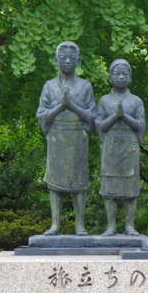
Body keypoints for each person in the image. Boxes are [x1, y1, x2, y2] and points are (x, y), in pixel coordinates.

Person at [36, 41, 96, 235]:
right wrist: (61, 106)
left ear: (78, 61)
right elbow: (42, 115)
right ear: (56, 60)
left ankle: (80, 225)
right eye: (63, 58)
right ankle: (55, 224)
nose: (67, 61)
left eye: (72, 58)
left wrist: (71, 105)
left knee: (79, 183)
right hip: (56, 138)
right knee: (55, 183)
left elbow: (92, 117)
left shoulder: (85, 86)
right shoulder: (49, 86)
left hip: (78, 137)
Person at [95, 59, 145, 236]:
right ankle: (111, 226)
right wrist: (115, 116)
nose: (121, 77)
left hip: (129, 148)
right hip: (110, 148)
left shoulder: (136, 101)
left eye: (125, 73)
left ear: (130, 77)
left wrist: (123, 116)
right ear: (110, 77)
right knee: (110, 190)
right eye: (117, 73)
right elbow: (99, 126)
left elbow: (140, 126)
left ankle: (130, 226)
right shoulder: (104, 100)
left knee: (130, 190)